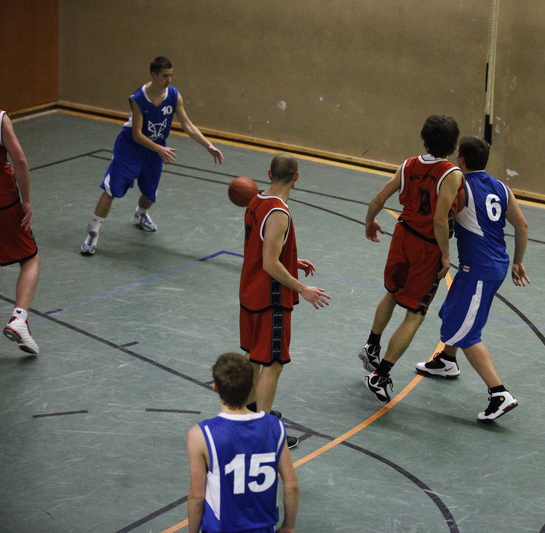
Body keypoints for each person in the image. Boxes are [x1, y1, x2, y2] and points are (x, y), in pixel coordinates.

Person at [415, 136, 530, 422]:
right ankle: (446, 361)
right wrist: (518, 261)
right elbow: (522, 225)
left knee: (466, 333)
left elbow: (440, 220)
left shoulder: (460, 186)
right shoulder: (502, 188)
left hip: (480, 269)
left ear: (461, 159)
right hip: (493, 264)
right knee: (453, 313)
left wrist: (441, 252)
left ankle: (499, 393)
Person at [359, 114, 464, 404]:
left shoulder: (408, 165)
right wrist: (446, 254)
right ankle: (380, 375)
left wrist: (369, 220)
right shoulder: (451, 173)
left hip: (402, 236)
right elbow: (440, 220)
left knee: (392, 293)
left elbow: (379, 198)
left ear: (424, 138)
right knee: (415, 314)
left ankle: (372, 345)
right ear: (453, 143)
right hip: (427, 247)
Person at [80, 56, 224, 255]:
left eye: (171, 75)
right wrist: (159, 149)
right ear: (154, 75)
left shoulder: (174, 95)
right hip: (131, 148)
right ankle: (93, 231)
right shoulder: (139, 98)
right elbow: (137, 134)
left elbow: (187, 124)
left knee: (150, 194)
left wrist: (208, 145)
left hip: (155, 149)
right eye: (165, 76)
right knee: (111, 190)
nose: (169, 80)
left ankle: (140, 215)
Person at [240, 154, 330, 448]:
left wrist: (291, 260)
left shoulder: (256, 200)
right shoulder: (279, 212)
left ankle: (249, 413)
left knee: (254, 356)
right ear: (297, 176)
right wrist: (302, 288)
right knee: (273, 363)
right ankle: (262, 434)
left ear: (269, 174)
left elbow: (261, 247)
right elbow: (269, 262)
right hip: (271, 297)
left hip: (249, 290)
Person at [187, 352, 299, 533]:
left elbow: (197, 496)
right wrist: (288, 526)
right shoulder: (275, 426)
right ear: (253, 384)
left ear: (215, 387)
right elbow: (291, 486)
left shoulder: (200, 434)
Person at [0, 106, 40, 355]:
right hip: (1, 201)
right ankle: (19, 319)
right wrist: (26, 199)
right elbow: (19, 160)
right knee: (30, 259)